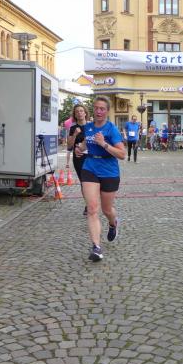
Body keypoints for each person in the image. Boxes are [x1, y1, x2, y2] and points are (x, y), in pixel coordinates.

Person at [75, 96, 126, 262]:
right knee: (92, 208)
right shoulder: (88, 127)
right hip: (90, 167)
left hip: (109, 171)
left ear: (107, 111)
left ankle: (113, 223)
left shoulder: (112, 129)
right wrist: (79, 149)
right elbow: (86, 143)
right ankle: (96, 247)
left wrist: (104, 144)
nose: (98, 111)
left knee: (107, 209)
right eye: (96, 108)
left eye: (102, 109)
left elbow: (122, 154)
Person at [67, 104, 90, 216]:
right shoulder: (73, 128)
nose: (79, 113)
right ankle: (88, 205)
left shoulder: (91, 126)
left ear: (85, 113)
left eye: (81, 111)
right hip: (79, 158)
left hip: (91, 157)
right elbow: (69, 145)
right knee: (83, 182)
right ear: (75, 115)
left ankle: (92, 202)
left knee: (92, 181)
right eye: (77, 112)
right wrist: (75, 134)